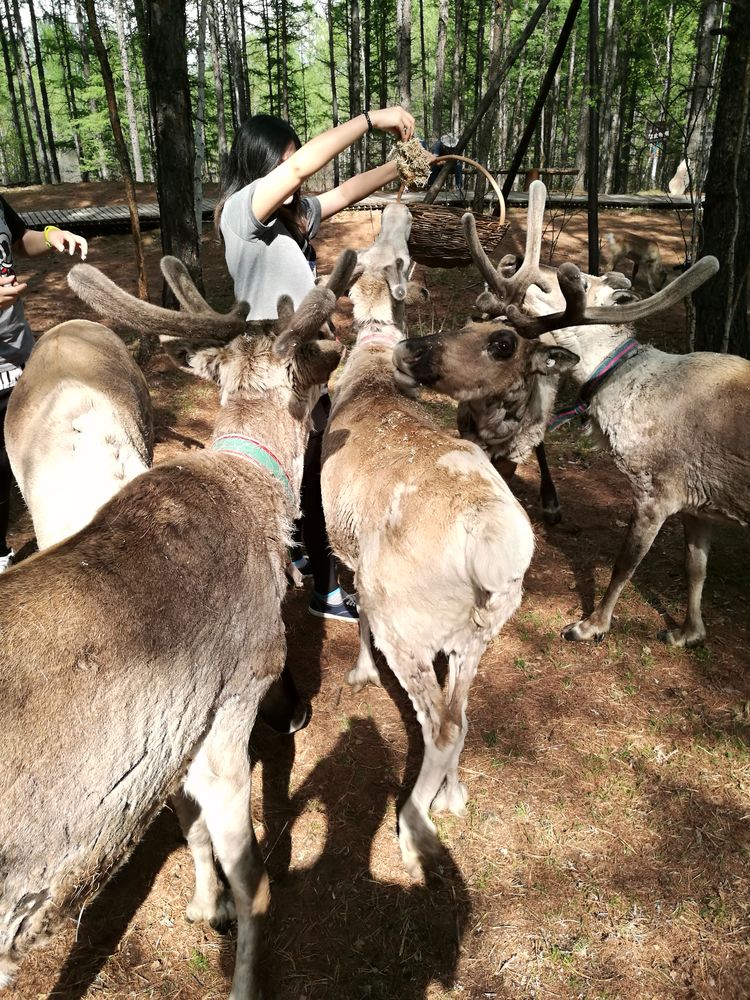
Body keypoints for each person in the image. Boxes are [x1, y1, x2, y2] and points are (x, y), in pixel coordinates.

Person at [215, 107, 417, 622]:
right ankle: (325, 592)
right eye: (284, 165)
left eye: (292, 164)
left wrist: (406, 163)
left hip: (305, 365)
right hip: (269, 372)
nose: (294, 176)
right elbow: (303, 170)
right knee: (306, 473)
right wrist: (373, 119)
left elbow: (347, 190)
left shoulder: (292, 213)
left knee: (308, 466)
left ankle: (299, 549)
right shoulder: (242, 214)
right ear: (262, 166)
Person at [0, 195, 88, 571]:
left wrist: (52, 236)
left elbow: (21, 241)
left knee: (45, 453)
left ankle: (62, 541)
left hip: (21, 358)